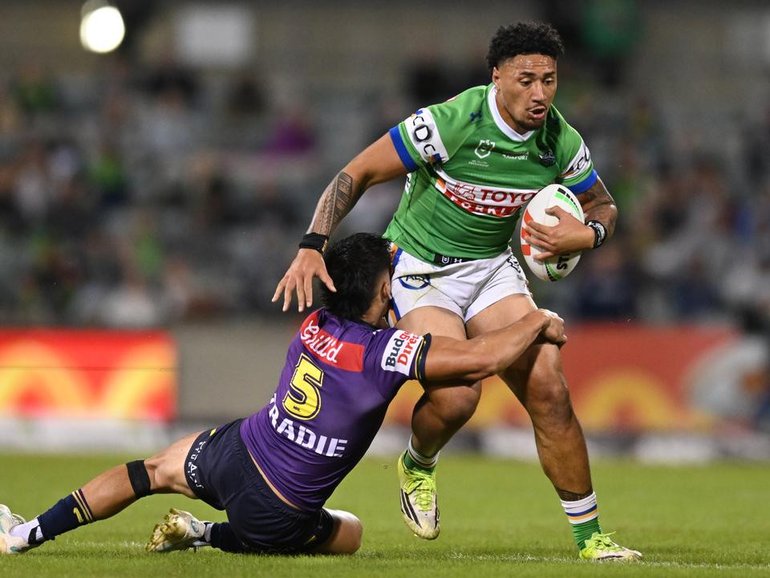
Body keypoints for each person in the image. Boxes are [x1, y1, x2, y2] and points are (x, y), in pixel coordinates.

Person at [273, 22, 641, 561]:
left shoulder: (560, 140)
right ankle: (418, 463)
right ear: (497, 77)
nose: (539, 94)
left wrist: (587, 232)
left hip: (491, 269)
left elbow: (603, 204)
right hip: (419, 270)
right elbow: (357, 172)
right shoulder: (450, 123)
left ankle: (592, 540)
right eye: (525, 80)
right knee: (458, 394)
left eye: (549, 80)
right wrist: (312, 243)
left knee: (549, 384)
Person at [0, 233, 567, 557]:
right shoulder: (386, 352)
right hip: (279, 507)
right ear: (380, 290)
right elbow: (484, 358)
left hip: (238, 451)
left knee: (146, 471)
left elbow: (361, 294)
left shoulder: (316, 321)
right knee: (351, 533)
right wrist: (536, 318)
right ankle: (205, 536)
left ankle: (25, 535)